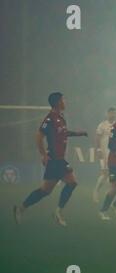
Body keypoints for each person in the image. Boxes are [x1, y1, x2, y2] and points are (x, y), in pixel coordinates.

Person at [13, 92, 88, 226]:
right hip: (54, 160)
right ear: (58, 102)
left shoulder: (60, 117)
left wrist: (78, 133)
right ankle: (27, 209)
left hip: (60, 160)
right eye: (64, 99)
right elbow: (39, 136)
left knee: (49, 189)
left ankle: (26, 209)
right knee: (51, 189)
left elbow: (64, 133)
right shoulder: (49, 119)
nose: (65, 101)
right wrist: (44, 154)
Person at [93, 107, 116, 203]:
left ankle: (109, 195)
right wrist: (98, 149)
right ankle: (96, 191)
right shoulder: (102, 125)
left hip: (114, 153)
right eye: (110, 113)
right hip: (104, 152)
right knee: (104, 173)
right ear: (107, 114)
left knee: (113, 175)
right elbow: (97, 138)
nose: (112, 115)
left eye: (114, 113)